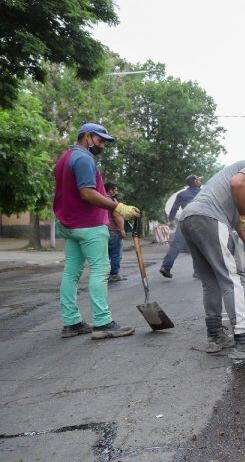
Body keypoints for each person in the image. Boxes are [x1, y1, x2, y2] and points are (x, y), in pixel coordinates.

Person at [179, 155, 245, 360]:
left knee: (211, 282)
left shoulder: (232, 191)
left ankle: (216, 335)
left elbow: (238, 224)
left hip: (190, 220)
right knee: (234, 278)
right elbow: (238, 184)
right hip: (210, 218)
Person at [53, 123, 141, 339]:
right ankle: (103, 322)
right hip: (88, 225)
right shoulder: (83, 159)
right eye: (100, 140)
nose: (102, 146)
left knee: (71, 272)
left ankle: (71, 322)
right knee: (101, 270)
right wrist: (117, 206)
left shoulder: (64, 158)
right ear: (87, 137)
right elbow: (87, 194)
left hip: (69, 224)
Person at [159, 174, 203, 278]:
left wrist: (171, 220)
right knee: (198, 246)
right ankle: (198, 272)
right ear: (196, 182)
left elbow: (174, 209)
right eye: (198, 180)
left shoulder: (182, 194)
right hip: (199, 222)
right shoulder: (204, 193)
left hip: (185, 221)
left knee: (176, 245)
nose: (200, 181)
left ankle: (166, 266)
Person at [104, 182, 127, 283]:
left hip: (103, 231)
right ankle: (114, 275)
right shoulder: (112, 201)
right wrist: (121, 229)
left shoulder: (99, 199)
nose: (116, 191)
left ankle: (104, 275)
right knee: (116, 254)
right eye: (115, 189)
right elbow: (117, 216)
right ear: (110, 190)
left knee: (106, 255)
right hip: (113, 231)